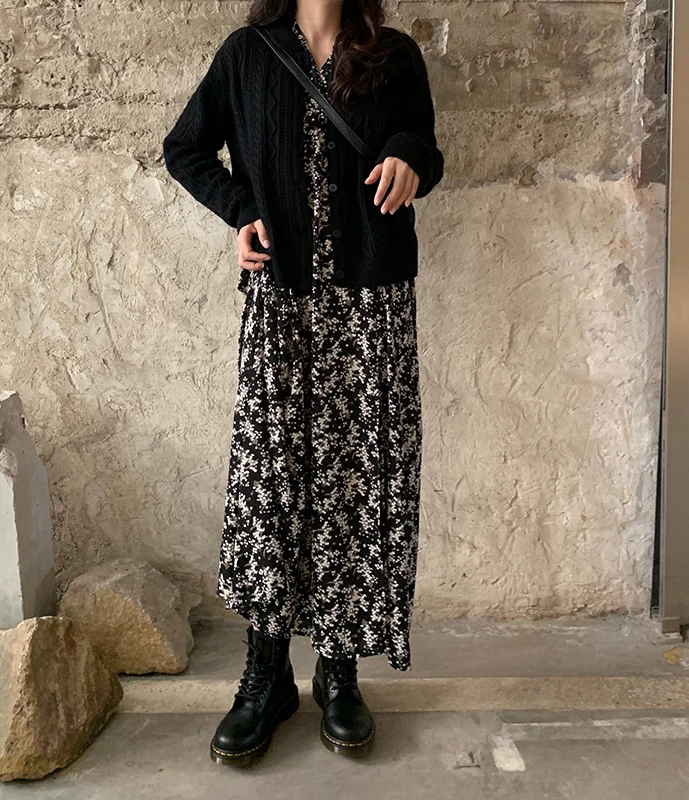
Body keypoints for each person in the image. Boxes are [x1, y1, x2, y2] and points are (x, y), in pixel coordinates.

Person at [163, 0, 444, 768]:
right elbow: (185, 148)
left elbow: (427, 149)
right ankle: (266, 675)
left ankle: (338, 670)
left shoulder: (393, 55)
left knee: (354, 485)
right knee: (273, 485)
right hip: (281, 306)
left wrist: (409, 158)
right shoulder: (246, 55)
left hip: (371, 309)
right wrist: (241, 211)